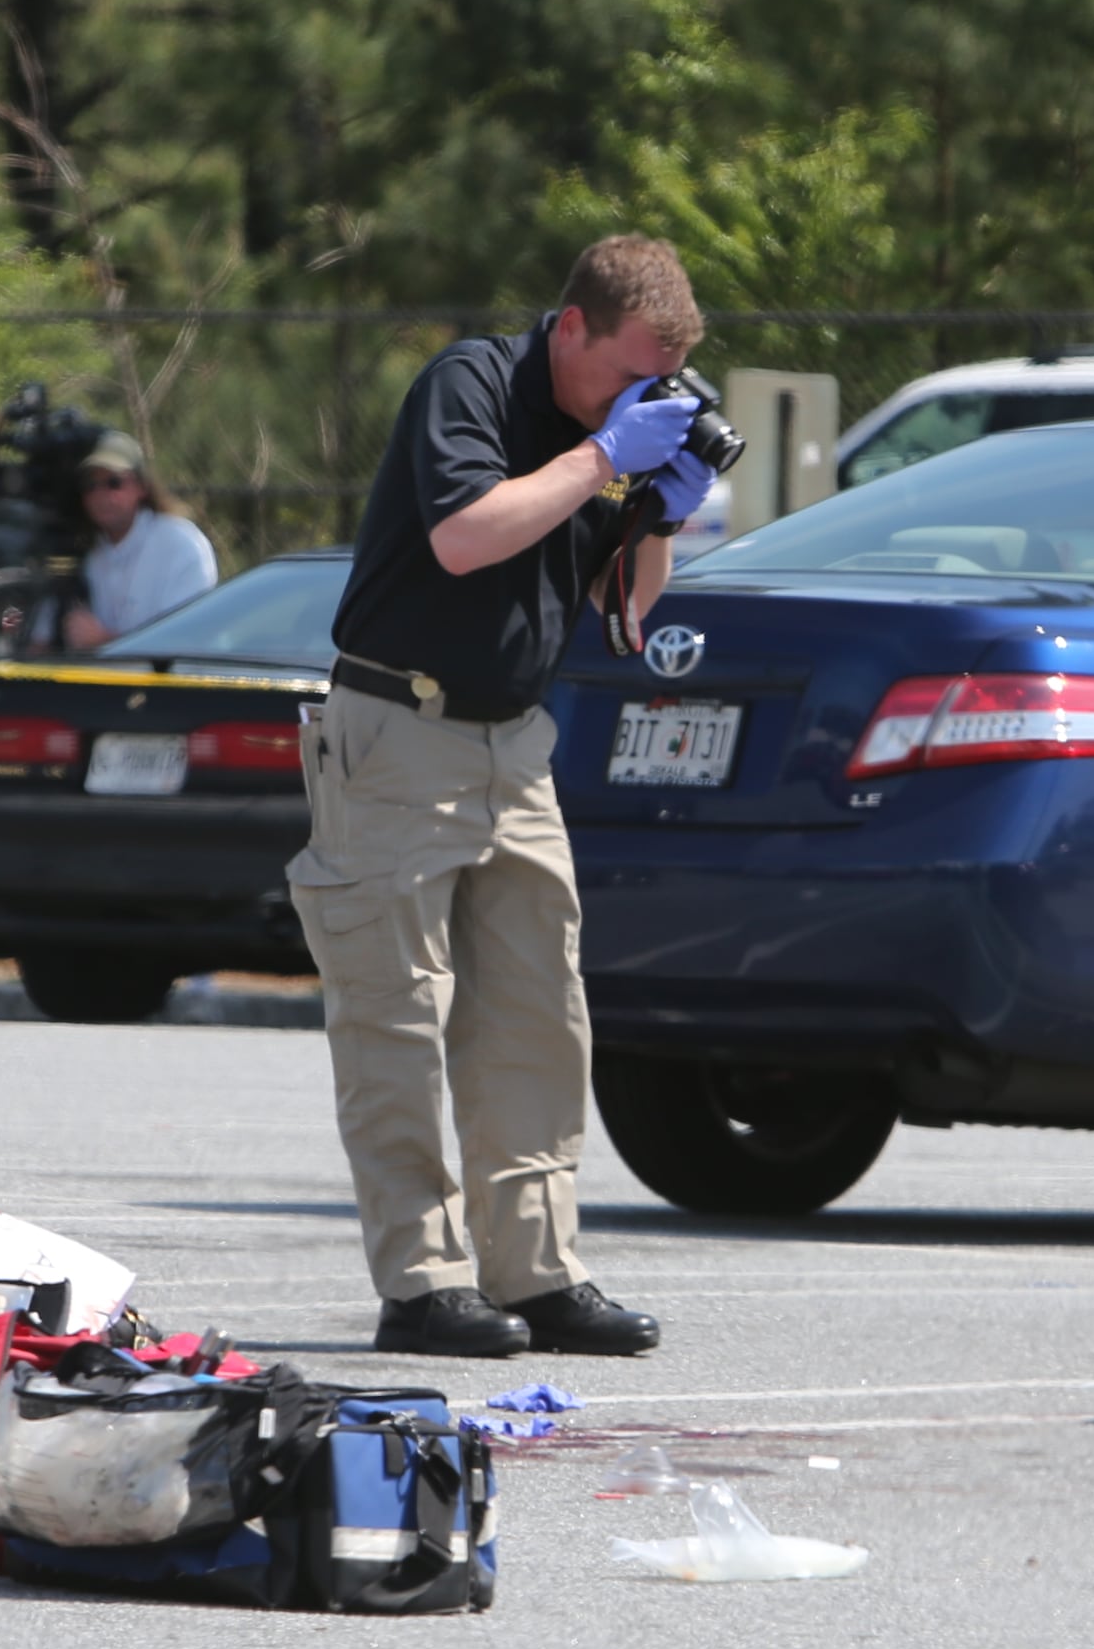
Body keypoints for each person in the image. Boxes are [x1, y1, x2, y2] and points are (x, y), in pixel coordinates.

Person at [297, 234, 720, 1359]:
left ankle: (535, 1272)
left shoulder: (603, 434)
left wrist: (658, 515)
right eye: (627, 375)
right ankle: (424, 1283)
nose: (638, 400)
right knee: (396, 1019)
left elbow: (624, 610)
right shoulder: (471, 383)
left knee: (538, 1018)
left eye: (660, 385)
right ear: (571, 327)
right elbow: (465, 534)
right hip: (401, 732)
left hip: (514, 744)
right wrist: (605, 457)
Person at [56, 431, 218, 650]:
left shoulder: (181, 544)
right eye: (90, 485)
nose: (100, 495)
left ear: (141, 486)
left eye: (113, 483)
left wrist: (103, 640)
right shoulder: (89, 554)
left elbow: (186, 642)